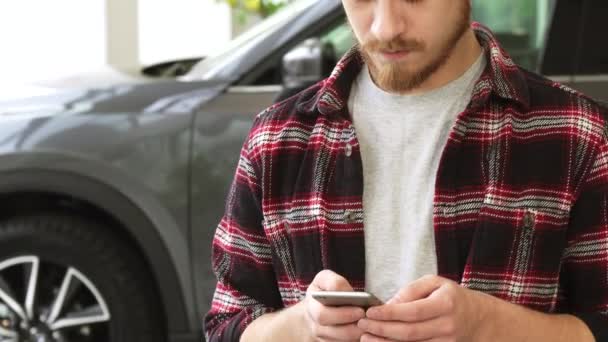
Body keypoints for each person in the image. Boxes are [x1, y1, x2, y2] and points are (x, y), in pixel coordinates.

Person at [205, 0, 608, 341]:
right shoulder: (276, 139)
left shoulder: (578, 134)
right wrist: (303, 324)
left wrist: (488, 324)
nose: (386, 28)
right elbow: (227, 325)